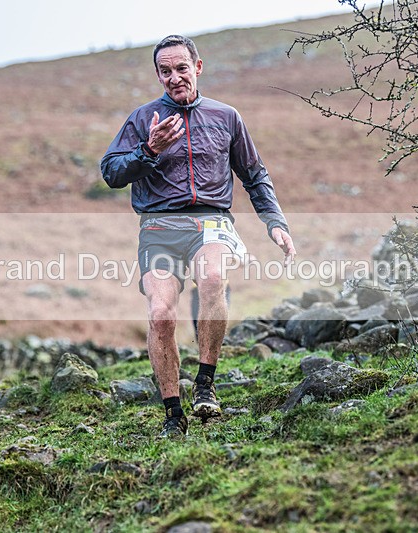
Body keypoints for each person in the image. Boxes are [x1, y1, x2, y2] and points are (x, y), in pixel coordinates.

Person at [101, 34, 296, 438]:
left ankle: (205, 384)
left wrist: (274, 221)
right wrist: (148, 151)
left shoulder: (226, 117)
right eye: (165, 71)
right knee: (160, 315)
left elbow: (254, 174)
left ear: (198, 67)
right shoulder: (143, 119)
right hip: (159, 227)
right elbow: (111, 172)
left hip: (211, 222)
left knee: (211, 279)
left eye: (181, 69)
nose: (174, 78)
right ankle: (174, 413)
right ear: (158, 75)